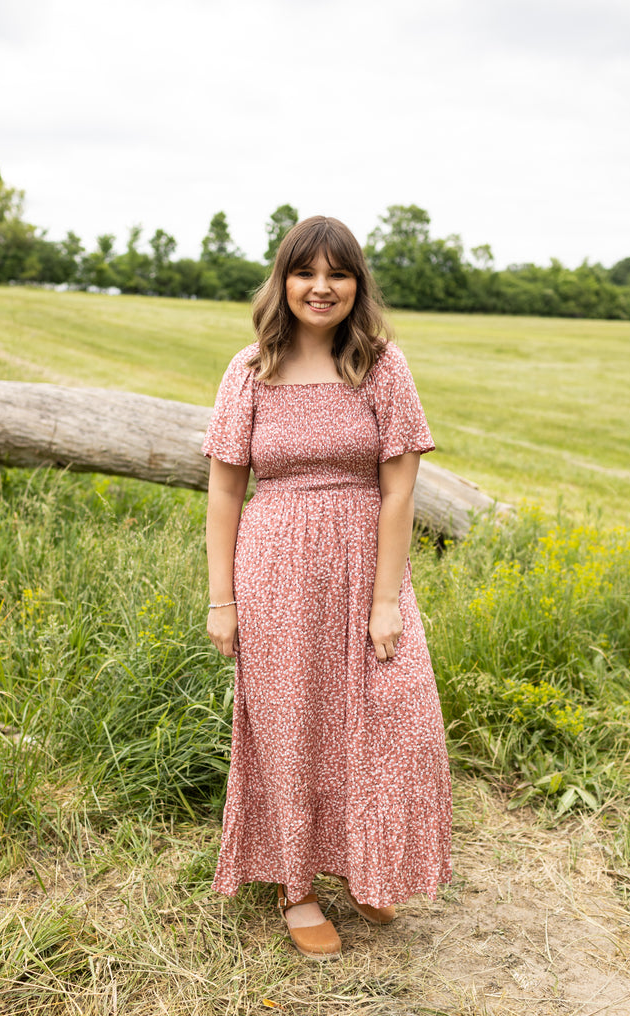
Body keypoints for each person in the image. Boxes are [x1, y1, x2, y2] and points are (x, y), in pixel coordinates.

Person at [202, 215, 452, 960]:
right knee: (292, 724)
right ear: (283, 281)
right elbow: (222, 492)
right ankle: (296, 885)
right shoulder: (249, 370)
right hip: (275, 565)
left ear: (356, 285)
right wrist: (223, 598)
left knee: (392, 712)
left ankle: (372, 863)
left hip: (365, 563)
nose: (321, 287)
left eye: (336, 274)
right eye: (305, 273)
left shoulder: (381, 365)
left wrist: (385, 598)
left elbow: (400, 490)